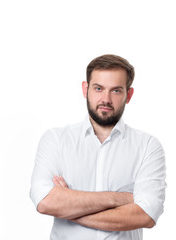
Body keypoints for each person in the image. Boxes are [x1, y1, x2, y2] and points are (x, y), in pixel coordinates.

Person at [30, 54, 166, 239]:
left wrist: (70, 207)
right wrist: (121, 199)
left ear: (129, 94)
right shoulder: (56, 140)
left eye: (116, 91)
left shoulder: (148, 146)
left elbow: (146, 215)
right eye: (98, 88)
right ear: (85, 89)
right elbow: (45, 202)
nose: (106, 99)